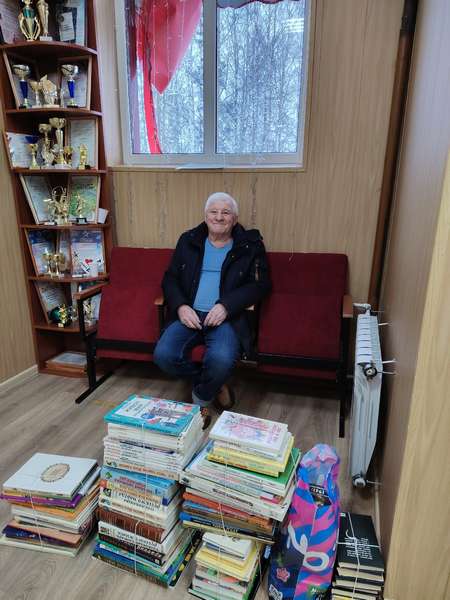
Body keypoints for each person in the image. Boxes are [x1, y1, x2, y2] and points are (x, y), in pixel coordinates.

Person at [154, 192, 271, 428]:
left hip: (226, 319)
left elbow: (261, 285)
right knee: (163, 356)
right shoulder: (188, 240)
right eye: (213, 212)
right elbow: (170, 278)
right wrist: (181, 306)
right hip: (189, 315)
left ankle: (201, 400)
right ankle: (215, 384)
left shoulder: (250, 245)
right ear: (205, 216)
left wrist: (227, 306)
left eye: (225, 213)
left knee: (221, 360)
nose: (219, 217)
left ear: (234, 219)